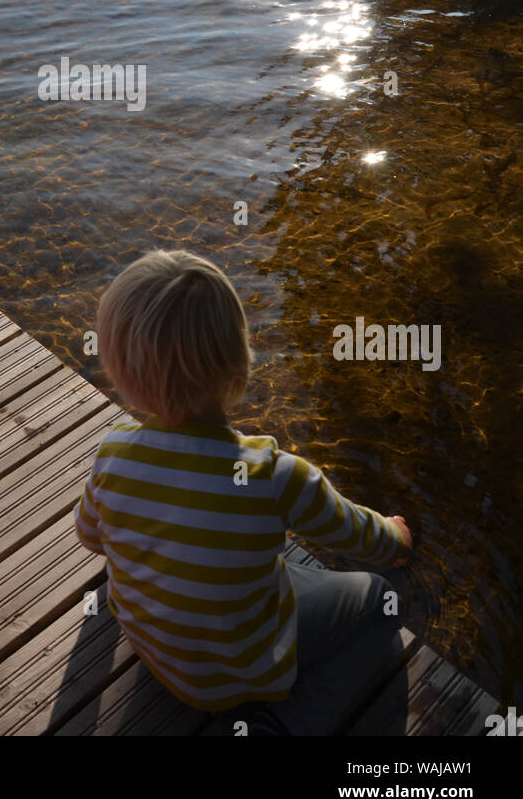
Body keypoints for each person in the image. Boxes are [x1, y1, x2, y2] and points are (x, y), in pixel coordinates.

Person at [73, 249, 414, 733]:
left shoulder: (114, 454)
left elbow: (90, 537)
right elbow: (358, 538)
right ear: (240, 354)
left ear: (118, 368)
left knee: (261, 560)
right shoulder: (276, 475)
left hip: (153, 655)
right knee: (379, 600)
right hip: (246, 672)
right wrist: (396, 537)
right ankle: (288, 722)